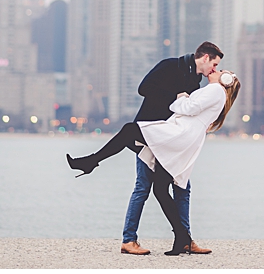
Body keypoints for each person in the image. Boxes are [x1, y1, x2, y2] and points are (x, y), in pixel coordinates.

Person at [66, 64, 241, 257]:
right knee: (159, 188)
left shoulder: (216, 90)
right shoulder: (214, 92)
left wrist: (181, 97)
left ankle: (91, 162)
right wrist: (185, 100)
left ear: (226, 81)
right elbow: (194, 110)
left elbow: (188, 108)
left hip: (177, 135)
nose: (217, 70)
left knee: (129, 131)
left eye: (221, 71)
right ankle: (182, 237)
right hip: (180, 136)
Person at [115, 42, 224, 256]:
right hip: (150, 133)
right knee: (143, 186)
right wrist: (175, 96)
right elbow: (143, 89)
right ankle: (129, 240)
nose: (214, 69)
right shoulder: (169, 66)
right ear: (205, 58)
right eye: (215, 63)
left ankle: (185, 240)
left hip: (173, 139)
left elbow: (188, 110)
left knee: (183, 188)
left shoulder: (197, 82)